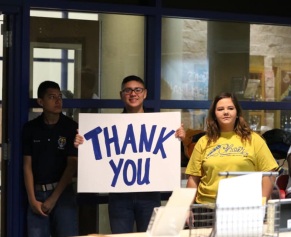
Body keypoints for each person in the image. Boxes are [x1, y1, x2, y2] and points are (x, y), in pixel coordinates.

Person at [74, 75, 185, 234]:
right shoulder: (109, 126)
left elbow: (172, 157)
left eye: (137, 90)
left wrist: (179, 139)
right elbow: (94, 154)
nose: (133, 94)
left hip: (149, 195)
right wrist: (82, 144)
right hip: (119, 197)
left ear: (145, 93)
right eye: (128, 90)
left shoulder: (161, 123)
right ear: (121, 95)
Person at [185, 92, 279, 224]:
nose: (226, 112)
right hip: (206, 210)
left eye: (230, 108)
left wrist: (262, 204)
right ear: (214, 115)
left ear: (237, 113)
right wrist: (187, 207)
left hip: (244, 209)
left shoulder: (254, 139)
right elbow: (194, 179)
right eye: (220, 109)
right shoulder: (203, 141)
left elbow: (269, 174)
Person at [22, 81, 79, 237]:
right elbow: (27, 165)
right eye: (52, 97)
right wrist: (32, 200)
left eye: (59, 96)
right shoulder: (30, 128)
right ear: (41, 102)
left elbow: (72, 165)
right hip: (38, 194)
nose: (58, 101)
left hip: (63, 193)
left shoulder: (71, 127)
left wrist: (53, 198)